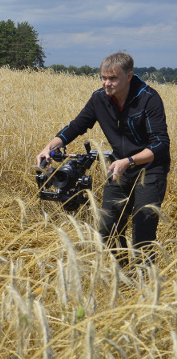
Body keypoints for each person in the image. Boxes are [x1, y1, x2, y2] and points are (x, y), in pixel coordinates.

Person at [36, 52, 170, 259]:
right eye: (103, 78)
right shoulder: (99, 99)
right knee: (108, 227)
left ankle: (144, 277)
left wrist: (129, 161)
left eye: (113, 78)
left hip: (150, 169)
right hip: (119, 169)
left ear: (129, 76)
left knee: (142, 230)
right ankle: (121, 273)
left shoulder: (149, 98)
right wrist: (49, 148)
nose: (107, 83)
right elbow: (76, 126)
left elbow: (160, 143)